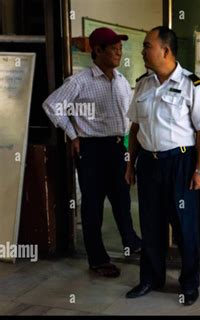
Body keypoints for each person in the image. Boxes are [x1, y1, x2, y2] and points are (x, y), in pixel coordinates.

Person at [125, 26, 200, 305]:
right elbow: (135, 126)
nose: (143, 51)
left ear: (165, 50)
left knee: (184, 227)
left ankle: (189, 284)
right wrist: (130, 165)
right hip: (149, 165)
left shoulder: (192, 84)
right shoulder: (143, 84)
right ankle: (151, 279)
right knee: (150, 225)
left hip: (179, 163)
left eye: (146, 46)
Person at [42, 27, 142, 278]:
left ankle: (131, 242)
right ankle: (98, 259)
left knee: (121, 198)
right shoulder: (79, 81)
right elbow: (51, 105)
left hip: (118, 145)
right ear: (97, 51)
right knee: (93, 206)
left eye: (121, 47)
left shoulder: (120, 81)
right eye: (114, 48)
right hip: (92, 148)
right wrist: (72, 134)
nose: (119, 51)